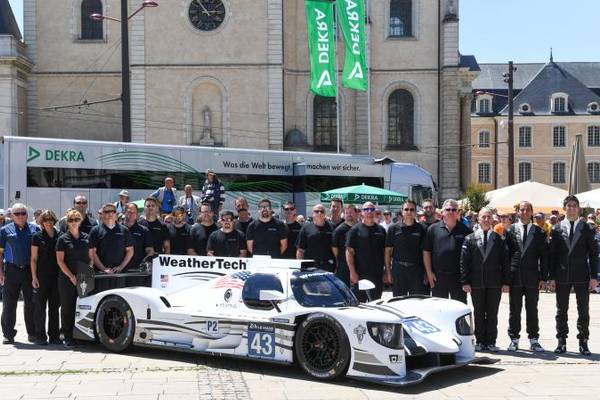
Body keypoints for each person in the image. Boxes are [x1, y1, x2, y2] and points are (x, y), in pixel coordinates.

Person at [549, 195, 599, 355]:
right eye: (568, 206)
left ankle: (583, 342)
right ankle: (561, 341)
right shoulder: (556, 228)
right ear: (564, 208)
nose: (571, 208)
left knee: (583, 310)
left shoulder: (587, 228)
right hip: (562, 275)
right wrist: (551, 277)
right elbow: (553, 255)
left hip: (582, 275)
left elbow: (593, 254)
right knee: (561, 310)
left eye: (574, 206)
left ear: (578, 208)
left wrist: (594, 277)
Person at [460, 207, 512, 352]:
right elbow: (464, 262)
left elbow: (505, 262)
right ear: (478, 219)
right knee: (478, 312)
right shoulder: (469, 239)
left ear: (492, 219)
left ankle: (491, 341)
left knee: (492, 312)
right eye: (483, 217)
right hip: (476, 283)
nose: (486, 219)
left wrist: (506, 282)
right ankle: (480, 341)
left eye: (489, 217)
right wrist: (465, 281)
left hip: (495, 283)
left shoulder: (499, 239)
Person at [504, 201, 548, 352]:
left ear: (532, 213)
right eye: (522, 210)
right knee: (514, 309)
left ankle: (534, 339)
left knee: (532, 309)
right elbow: (506, 256)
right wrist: (506, 279)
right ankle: (514, 339)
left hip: (532, 277)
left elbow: (544, 257)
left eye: (527, 210)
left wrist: (543, 278)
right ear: (517, 212)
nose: (524, 212)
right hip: (514, 277)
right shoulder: (510, 231)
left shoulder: (539, 232)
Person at [0, 203, 40, 344]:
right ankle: (8, 334)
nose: (21, 216)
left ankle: (32, 333)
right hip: (11, 270)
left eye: (23, 213)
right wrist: (1, 271)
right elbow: (0, 253)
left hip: (30, 271)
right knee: (9, 304)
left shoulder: (35, 229)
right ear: (11, 216)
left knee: (31, 303)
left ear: (27, 215)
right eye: (17, 214)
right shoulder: (4, 231)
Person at [423, 199, 472, 304]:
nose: (451, 212)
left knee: (459, 309)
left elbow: (471, 256)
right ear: (442, 212)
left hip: (458, 278)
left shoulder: (466, 230)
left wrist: (467, 278)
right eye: (448, 209)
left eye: (454, 210)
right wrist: (429, 273)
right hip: (438, 278)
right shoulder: (432, 229)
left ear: (458, 212)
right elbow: (426, 252)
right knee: (439, 311)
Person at [56, 210, 93, 347]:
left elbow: (91, 258)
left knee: (83, 308)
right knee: (67, 308)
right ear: (67, 222)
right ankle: (67, 336)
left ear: (80, 221)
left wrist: (87, 273)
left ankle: (81, 336)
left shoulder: (86, 237)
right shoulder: (62, 239)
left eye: (76, 219)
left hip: (84, 278)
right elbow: (60, 261)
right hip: (67, 278)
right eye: (71, 220)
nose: (73, 222)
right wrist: (71, 276)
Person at [385, 200, 427, 297]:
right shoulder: (393, 229)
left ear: (416, 212)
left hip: (417, 271)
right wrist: (388, 272)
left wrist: (426, 273)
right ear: (402, 211)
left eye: (412, 209)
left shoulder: (422, 229)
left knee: (416, 301)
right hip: (398, 270)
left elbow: (425, 253)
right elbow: (388, 252)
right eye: (406, 209)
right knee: (399, 302)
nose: (409, 212)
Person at [346, 201, 387, 301]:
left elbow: (386, 252)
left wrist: (387, 271)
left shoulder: (381, 230)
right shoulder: (354, 230)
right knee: (359, 307)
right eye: (366, 209)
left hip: (377, 276)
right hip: (360, 275)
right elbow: (349, 252)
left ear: (375, 212)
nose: (369, 212)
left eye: (372, 209)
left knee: (376, 305)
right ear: (362, 213)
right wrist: (352, 272)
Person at [31, 210, 61, 345]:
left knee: (54, 308)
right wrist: (34, 277)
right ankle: (40, 336)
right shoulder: (37, 237)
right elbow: (33, 259)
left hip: (57, 277)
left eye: (50, 219)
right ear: (41, 222)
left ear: (54, 220)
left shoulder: (60, 236)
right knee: (40, 307)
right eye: (45, 220)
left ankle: (54, 336)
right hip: (42, 277)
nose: (48, 222)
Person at [89, 204, 134, 291]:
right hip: (101, 275)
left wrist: (121, 267)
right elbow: (92, 252)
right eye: (107, 211)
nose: (110, 214)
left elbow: (130, 250)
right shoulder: (95, 231)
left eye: (113, 211)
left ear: (116, 214)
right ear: (102, 214)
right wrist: (103, 268)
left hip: (119, 274)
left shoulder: (124, 230)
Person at [297, 204, 336, 271]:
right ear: (313, 214)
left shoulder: (332, 227)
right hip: (310, 266)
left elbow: (336, 249)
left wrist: (337, 266)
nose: (319, 213)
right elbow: (300, 250)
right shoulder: (305, 228)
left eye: (322, 211)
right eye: (316, 211)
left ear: (325, 213)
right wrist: (300, 267)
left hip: (329, 266)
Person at [331, 204, 358, 286]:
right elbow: (334, 248)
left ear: (356, 213)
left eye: (351, 212)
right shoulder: (339, 230)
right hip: (343, 267)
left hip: (359, 265)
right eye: (347, 213)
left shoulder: (359, 227)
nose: (349, 214)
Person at [123, 203, 153, 271]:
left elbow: (150, 250)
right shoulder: (117, 228)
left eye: (134, 212)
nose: (132, 214)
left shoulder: (144, 230)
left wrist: (145, 261)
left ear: (137, 214)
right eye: (129, 212)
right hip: (118, 270)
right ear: (124, 212)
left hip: (137, 270)